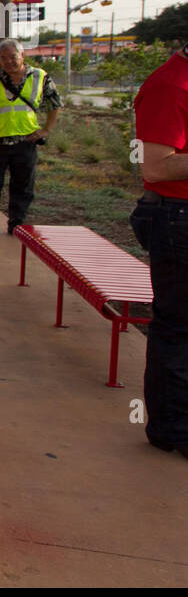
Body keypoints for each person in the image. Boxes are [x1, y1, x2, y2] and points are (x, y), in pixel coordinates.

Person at [129, 44, 188, 459]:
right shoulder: (172, 86)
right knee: (178, 325)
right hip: (177, 218)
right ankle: (173, 429)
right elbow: (157, 166)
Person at [0, 39, 62, 236]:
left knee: (23, 186)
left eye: (12, 57)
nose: (8, 61)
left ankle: (16, 225)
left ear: (22, 55)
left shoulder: (40, 77)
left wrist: (46, 130)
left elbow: (55, 104)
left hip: (25, 142)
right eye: (3, 58)